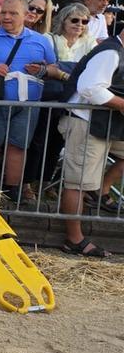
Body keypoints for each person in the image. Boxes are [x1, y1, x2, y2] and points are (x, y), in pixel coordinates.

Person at [0, 0, 58, 201]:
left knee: (19, 145)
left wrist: (41, 69)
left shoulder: (41, 40)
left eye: (12, 13)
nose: (6, 17)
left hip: (27, 104)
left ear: (26, 15)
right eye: (3, 13)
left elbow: (53, 68)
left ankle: (12, 190)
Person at [58, 31, 124, 257]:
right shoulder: (111, 53)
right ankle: (74, 240)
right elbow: (90, 88)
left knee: (83, 182)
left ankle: (100, 190)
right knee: (77, 183)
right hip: (85, 123)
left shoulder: (118, 51)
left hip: (105, 124)